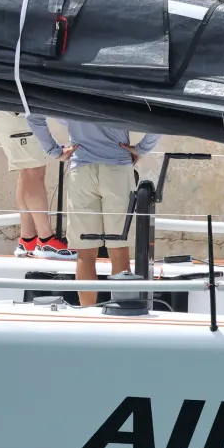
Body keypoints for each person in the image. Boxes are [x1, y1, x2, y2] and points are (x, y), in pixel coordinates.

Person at [28, 115, 162, 307]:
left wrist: (54, 151)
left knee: (85, 253)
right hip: (117, 170)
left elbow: (33, 116)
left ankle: (87, 314)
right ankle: (121, 313)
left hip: (82, 172)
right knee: (119, 250)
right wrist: (142, 148)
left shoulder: (70, 96)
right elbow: (158, 117)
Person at [0, 110, 72, 259]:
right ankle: (46, 241)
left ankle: (28, 240)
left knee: (27, 170)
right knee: (33, 170)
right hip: (15, 108)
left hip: (10, 107)